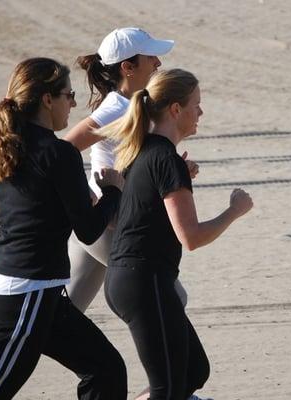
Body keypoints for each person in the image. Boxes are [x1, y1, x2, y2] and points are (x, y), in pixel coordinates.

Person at [0, 57, 127, 400]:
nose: (73, 104)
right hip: (26, 294)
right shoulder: (58, 153)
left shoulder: (3, 143)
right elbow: (88, 230)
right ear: (47, 99)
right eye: (68, 95)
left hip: (39, 294)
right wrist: (113, 191)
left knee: (106, 369)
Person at [100, 69, 253, 400]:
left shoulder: (145, 151)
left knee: (194, 371)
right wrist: (234, 210)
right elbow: (192, 238)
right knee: (167, 388)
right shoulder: (163, 159)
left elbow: (133, 216)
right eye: (196, 104)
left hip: (130, 279)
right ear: (175, 110)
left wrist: (179, 178)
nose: (201, 112)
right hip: (143, 280)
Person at [64, 27, 196, 313]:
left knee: (63, 315)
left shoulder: (134, 105)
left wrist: (173, 169)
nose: (158, 64)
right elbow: (62, 151)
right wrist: (87, 197)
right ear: (128, 67)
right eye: (151, 58)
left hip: (106, 223)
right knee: (172, 300)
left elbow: (133, 161)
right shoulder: (115, 108)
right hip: (110, 225)